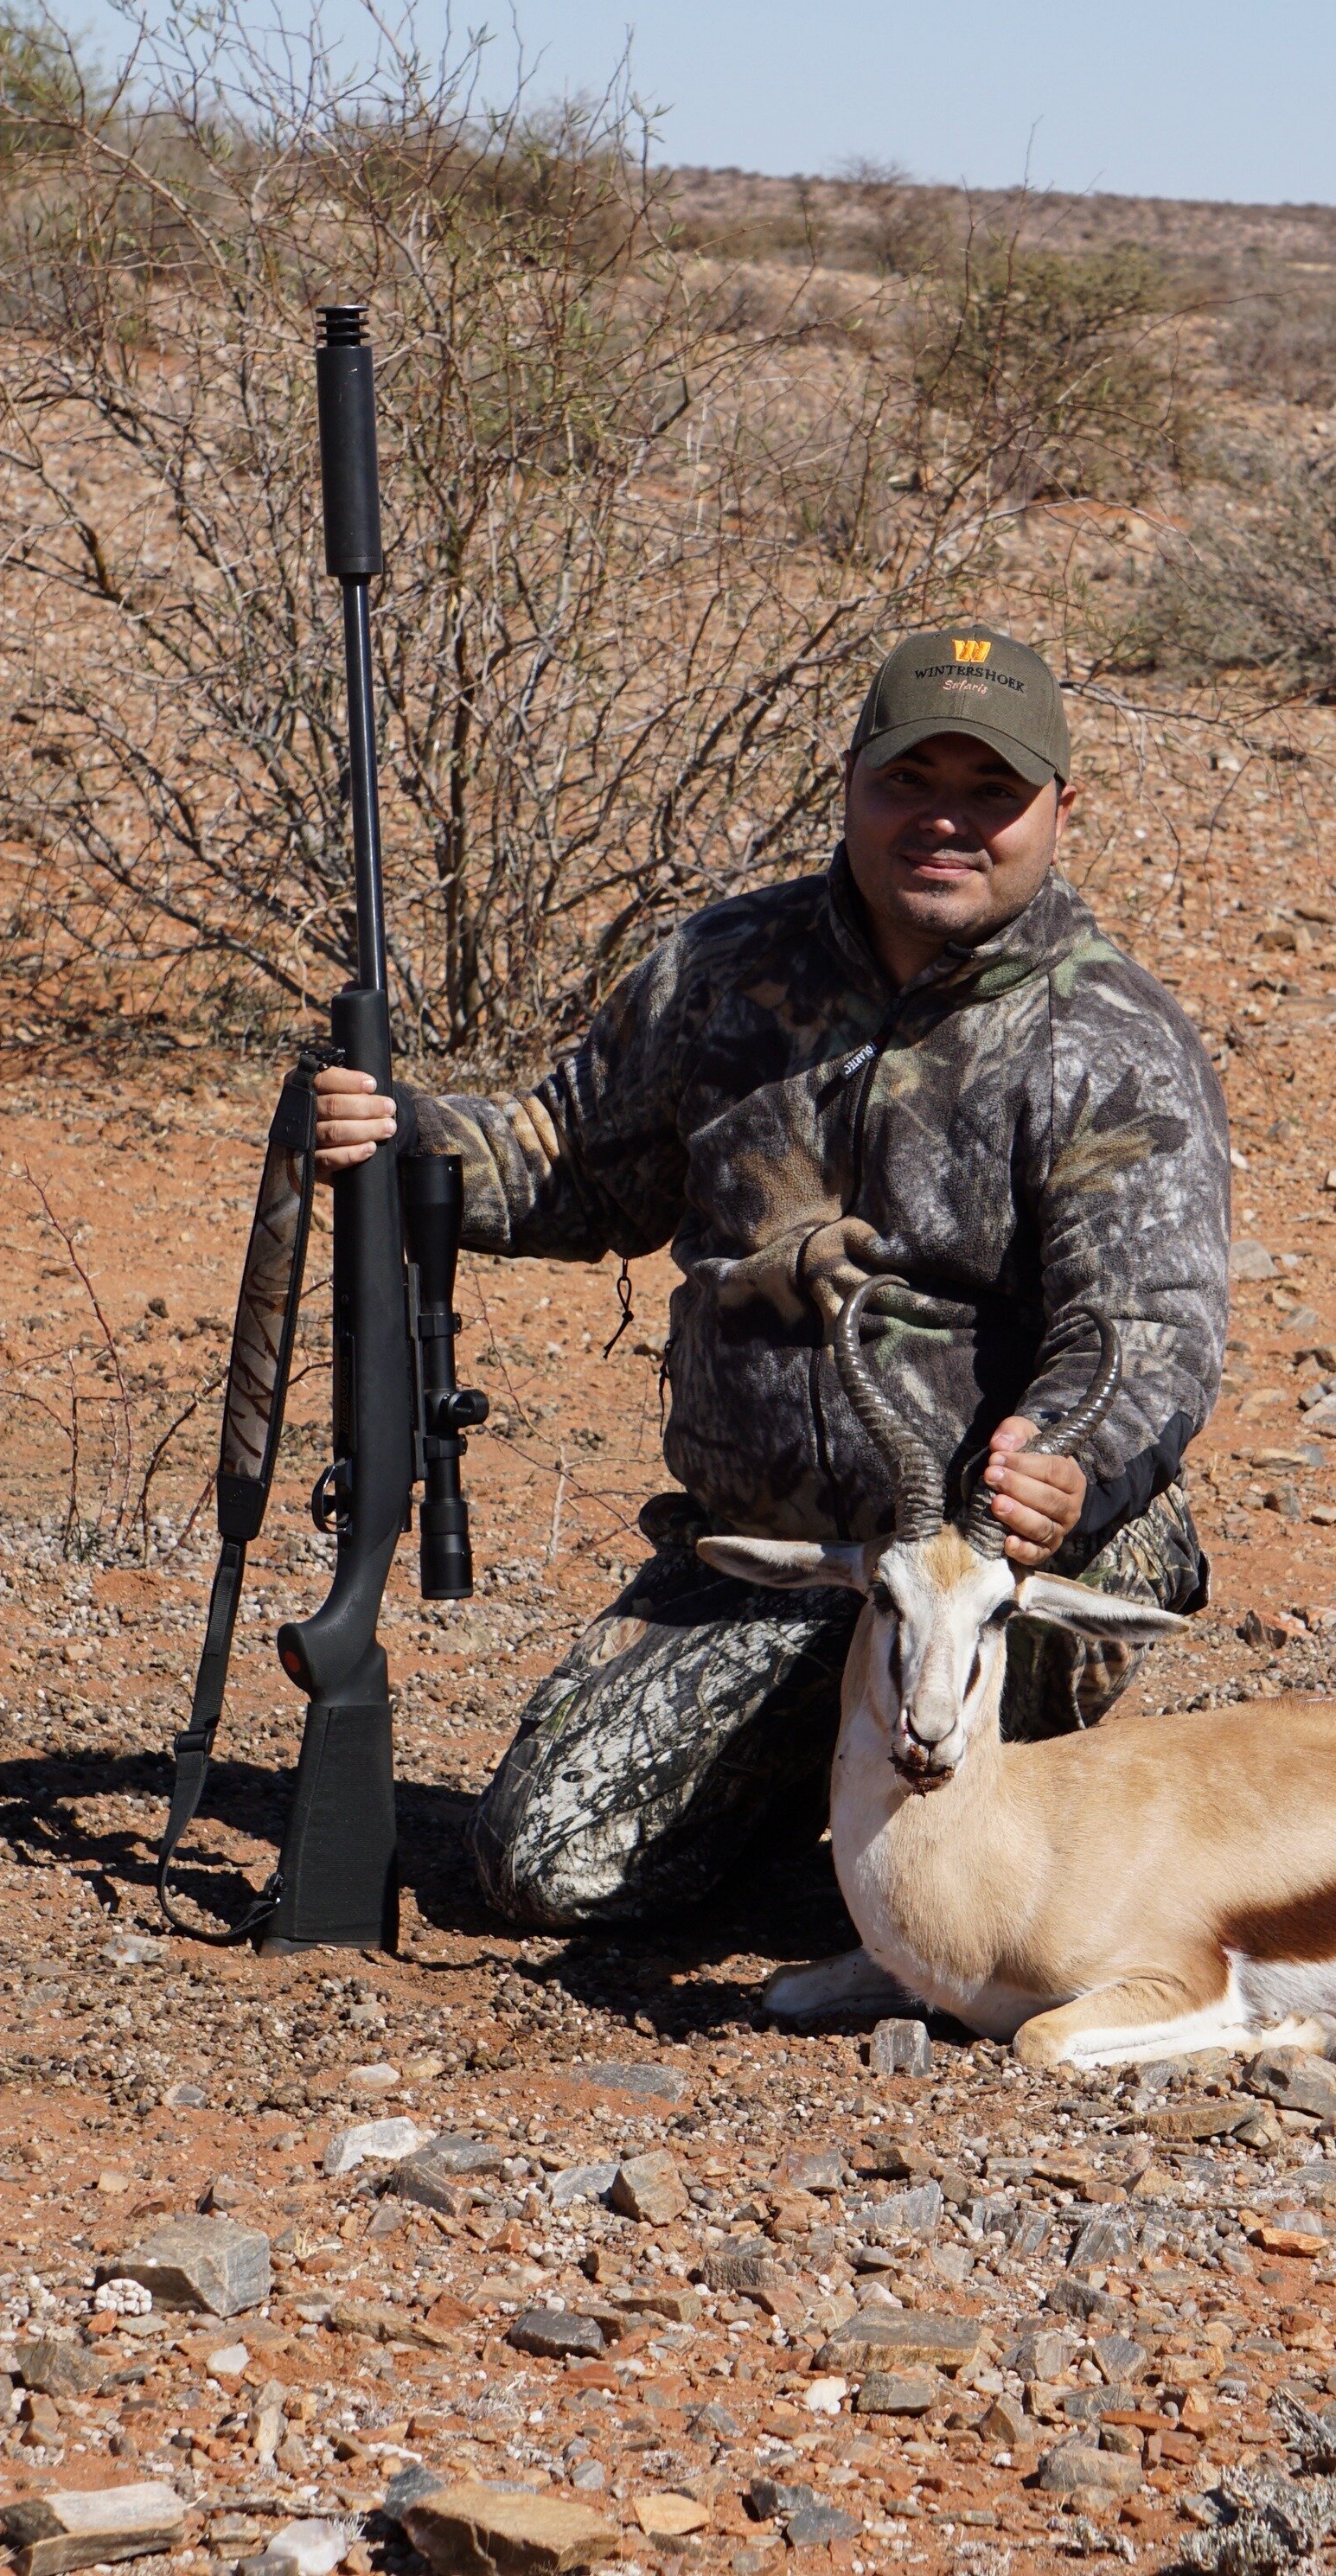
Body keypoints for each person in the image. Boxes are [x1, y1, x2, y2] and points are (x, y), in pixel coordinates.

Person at [311, 625, 1232, 1930]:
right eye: (912, 782)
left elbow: (1148, 1323)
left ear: (1059, 812)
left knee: (1077, 1618)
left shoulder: (1107, 1037)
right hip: (768, 1559)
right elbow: (567, 1166)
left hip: (981, 1570)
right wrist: (398, 1138)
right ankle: (844, 1838)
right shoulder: (720, 969)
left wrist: (1071, 1466)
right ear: (852, 782)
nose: (946, 823)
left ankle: (974, 1852)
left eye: (991, 794)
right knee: (547, 1869)